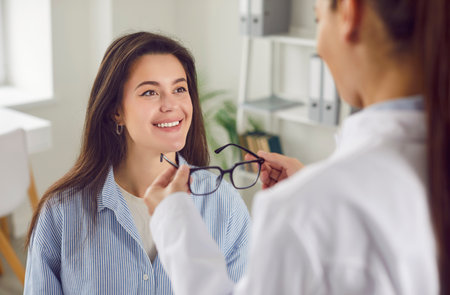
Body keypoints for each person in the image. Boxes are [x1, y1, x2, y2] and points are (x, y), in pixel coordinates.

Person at [143, 0, 449, 294]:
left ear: (348, 12)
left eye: (317, 19)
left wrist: (172, 221)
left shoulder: (303, 210)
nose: (319, 45)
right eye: (148, 93)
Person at [24, 32, 251, 294]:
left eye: (179, 89)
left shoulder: (225, 204)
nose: (171, 105)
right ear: (116, 111)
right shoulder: (62, 212)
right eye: (150, 92)